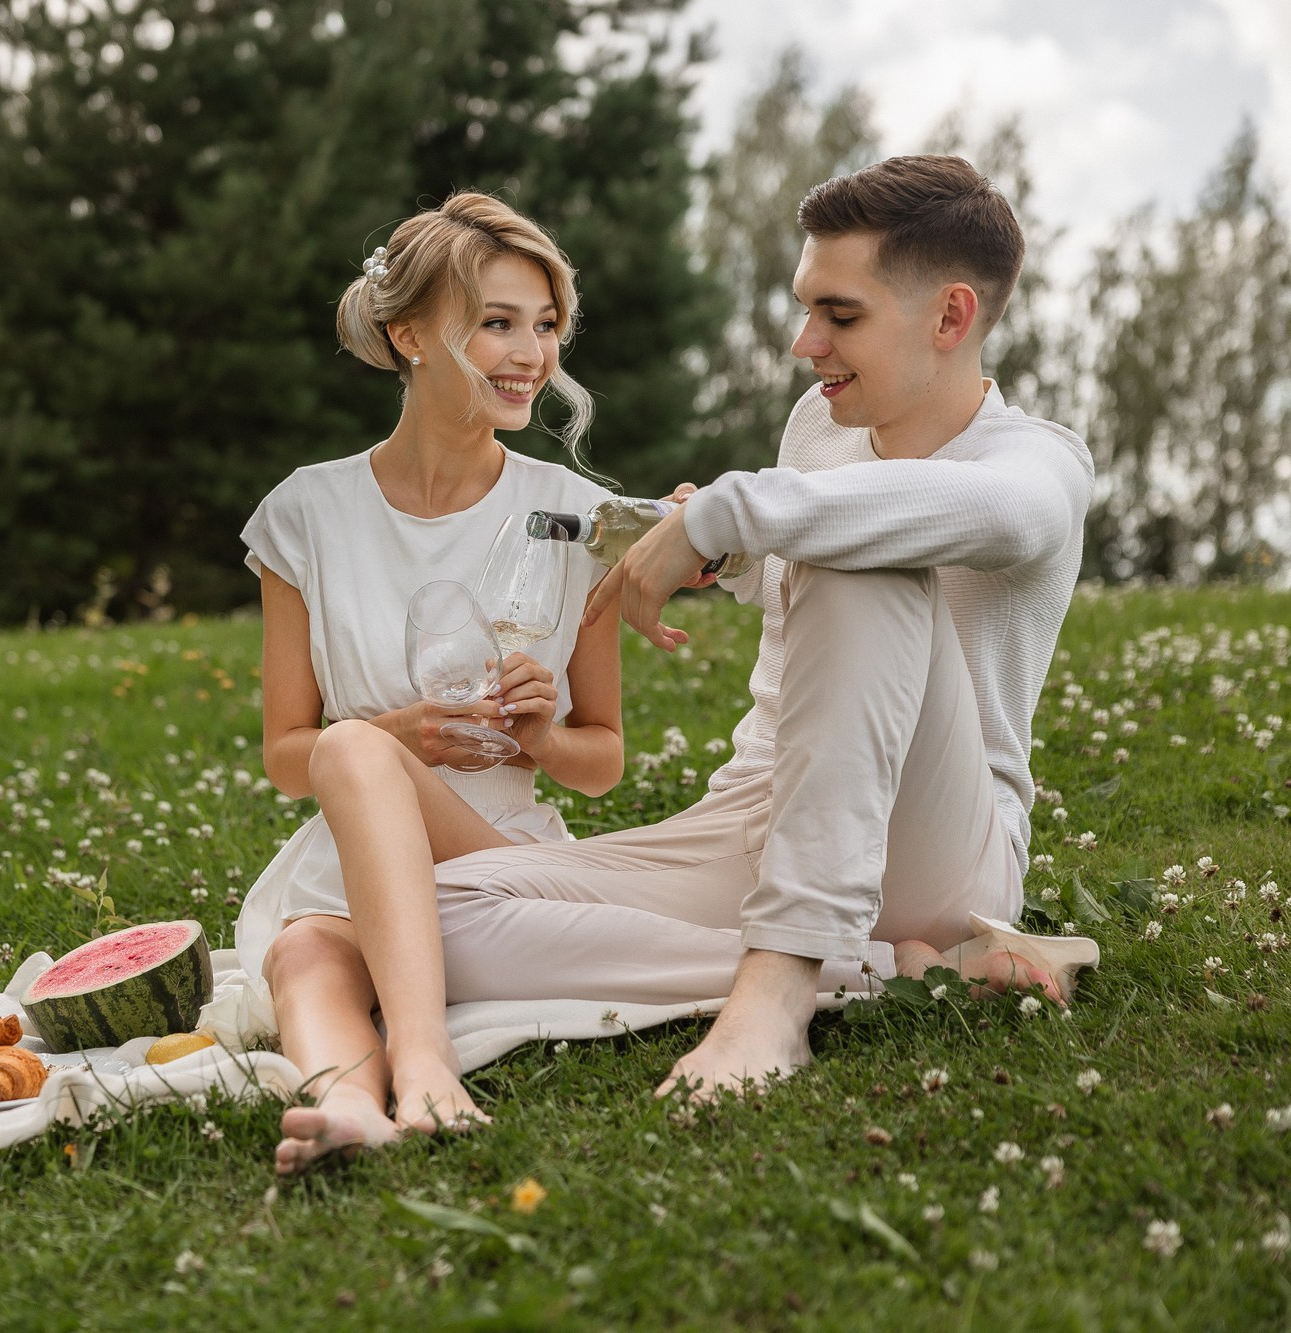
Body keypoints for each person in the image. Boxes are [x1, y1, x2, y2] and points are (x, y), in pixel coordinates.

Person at [299, 154, 1100, 1117]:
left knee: (862, 546)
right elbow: (788, 569)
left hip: (933, 845)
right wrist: (719, 553)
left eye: (840, 316)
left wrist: (729, 517)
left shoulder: (1037, 463)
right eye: (807, 308)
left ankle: (778, 992)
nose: (807, 342)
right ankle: (893, 971)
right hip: (751, 822)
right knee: (427, 919)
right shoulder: (820, 425)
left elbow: (988, 518)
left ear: (951, 318)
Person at [232, 193, 626, 1174]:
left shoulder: (579, 517)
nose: (529, 353)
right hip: (350, 865)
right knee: (304, 954)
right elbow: (290, 758)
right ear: (407, 334)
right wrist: (397, 732)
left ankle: (422, 1059)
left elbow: (602, 765)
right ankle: (349, 1106)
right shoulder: (305, 515)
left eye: (543, 325)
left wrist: (539, 736)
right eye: (495, 322)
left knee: (353, 742)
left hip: (501, 863)